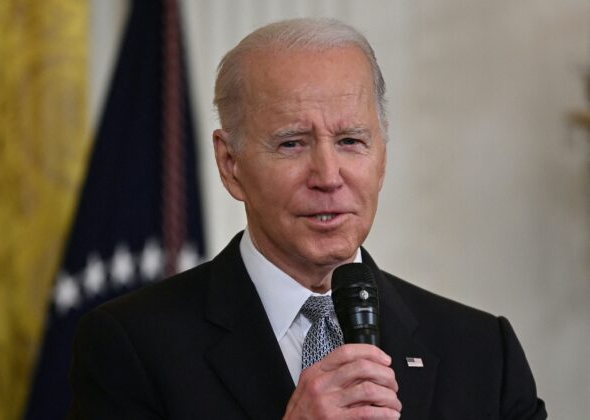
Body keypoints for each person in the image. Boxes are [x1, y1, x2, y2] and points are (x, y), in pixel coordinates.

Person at [68, 18, 546, 419]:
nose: (328, 175)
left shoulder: (484, 352)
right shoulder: (130, 347)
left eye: (351, 141)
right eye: (292, 143)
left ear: (382, 156)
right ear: (230, 163)